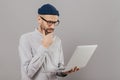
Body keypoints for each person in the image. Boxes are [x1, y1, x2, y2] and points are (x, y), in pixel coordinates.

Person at [18, 3, 79, 80]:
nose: (53, 26)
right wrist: (44, 46)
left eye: (55, 22)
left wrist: (65, 71)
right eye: (50, 22)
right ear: (39, 19)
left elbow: (58, 69)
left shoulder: (57, 41)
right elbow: (27, 73)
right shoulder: (26, 39)